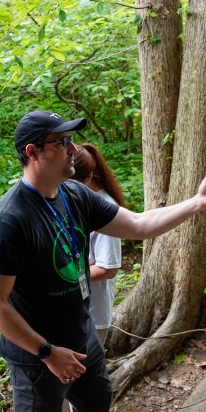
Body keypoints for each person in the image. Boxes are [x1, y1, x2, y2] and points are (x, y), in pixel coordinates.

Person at [0, 110, 206, 412]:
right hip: (38, 354)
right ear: (33, 152)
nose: (72, 149)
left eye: (71, 140)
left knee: (95, 402)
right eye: (61, 142)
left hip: (81, 335)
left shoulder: (73, 195)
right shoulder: (10, 220)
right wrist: (48, 353)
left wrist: (197, 203)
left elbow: (140, 225)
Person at [71, 143, 125, 345]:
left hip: (93, 313)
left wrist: (64, 280)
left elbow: (108, 268)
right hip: (74, 310)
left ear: (87, 177)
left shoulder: (105, 208)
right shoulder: (76, 202)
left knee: (89, 371)